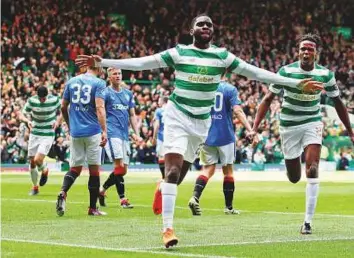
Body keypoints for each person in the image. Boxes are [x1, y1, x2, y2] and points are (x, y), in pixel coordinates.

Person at [76, 14, 323, 248]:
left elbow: (255, 73)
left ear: (213, 32)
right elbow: (143, 62)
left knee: (180, 175)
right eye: (201, 24)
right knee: (172, 171)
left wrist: (296, 83)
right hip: (177, 115)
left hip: (201, 123)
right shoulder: (179, 53)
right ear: (192, 31)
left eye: (209, 25)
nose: (206, 27)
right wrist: (103, 62)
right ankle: (168, 230)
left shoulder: (222, 57)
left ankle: (162, 187)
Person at [252, 33, 354, 235]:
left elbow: (338, 103)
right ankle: (292, 169)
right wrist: (254, 127)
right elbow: (267, 99)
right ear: (298, 52)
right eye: (302, 49)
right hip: (289, 126)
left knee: (312, 169)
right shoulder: (286, 72)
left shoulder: (325, 75)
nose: (306, 52)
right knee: (294, 177)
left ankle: (307, 222)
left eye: (310, 49)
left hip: (312, 123)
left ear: (316, 52)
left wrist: (350, 131)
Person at [188, 80, 256, 216]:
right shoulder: (230, 89)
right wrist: (250, 129)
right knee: (228, 171)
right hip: (225, 135)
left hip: (207, 134)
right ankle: (229, 207)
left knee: (207, 169)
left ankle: (194, 197)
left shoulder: (204, 87)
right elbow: (238, 111)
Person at [56, 66, 108, 216]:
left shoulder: (71, 81)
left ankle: (63, 191)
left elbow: (63, 107)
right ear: (97, 67)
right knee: (94, 171)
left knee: (75, 168)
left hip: (76, 132)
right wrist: (104, 130)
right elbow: (99, 108)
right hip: (92, 132)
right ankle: (92, 208)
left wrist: (70, 125)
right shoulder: (99, 83)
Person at [98, 67, 141, 209]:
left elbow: (132, 115)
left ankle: (102, 190)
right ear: (109, 77)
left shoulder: (128, 94)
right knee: (119, 167)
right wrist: (103, 131)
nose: (118, 76)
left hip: (124, 135)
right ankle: (123, 200)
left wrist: (137, 133)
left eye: (119, 73)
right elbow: (100, 111)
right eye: (114, 74)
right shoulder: (105, 93)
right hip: (112, 133)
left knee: (123, 170)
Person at [19, 86, 61, 195]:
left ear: (47, 95)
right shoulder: (32, 101)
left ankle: (45, 170)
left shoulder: (54, 100)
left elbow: (64, 109)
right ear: (37, 96)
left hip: (48, 133)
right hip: (35, 133)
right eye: (40, 98)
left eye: (44, 98)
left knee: (38, 160)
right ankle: (35, 187)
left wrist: (58, 122)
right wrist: (27, 121)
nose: (42, 100)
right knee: (32, 162)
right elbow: (21, 114)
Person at [151, 95, 168, 215]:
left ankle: (163, 178)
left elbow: (156, 125)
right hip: (173, 138)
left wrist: (154, 136)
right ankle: (167, 177)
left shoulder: (159, 111)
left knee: (161, 158)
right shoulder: (173, 110)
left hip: (162, 137)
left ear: (162, 101)